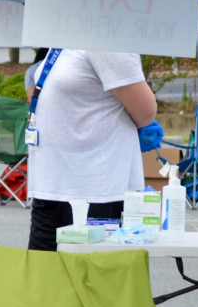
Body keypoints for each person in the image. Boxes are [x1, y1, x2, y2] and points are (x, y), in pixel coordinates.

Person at [25, 49, 162, 251]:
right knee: (41, 279)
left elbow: (146, 112)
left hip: (96, 194)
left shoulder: (107, 43)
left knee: (91, 280)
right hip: (51, 190)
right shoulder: (64, 40)